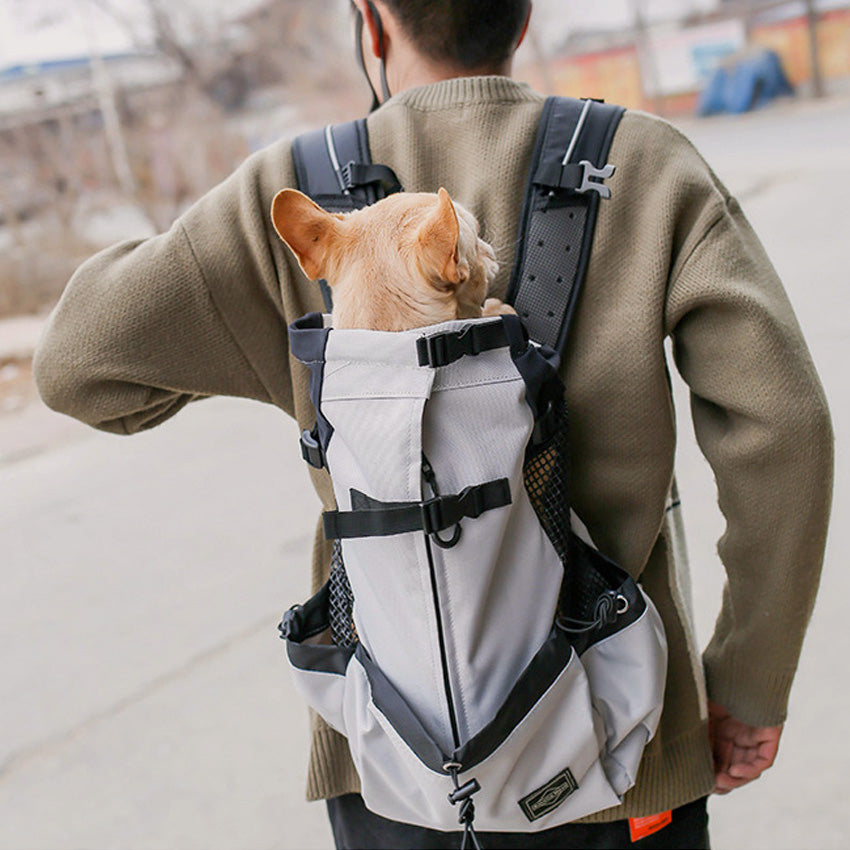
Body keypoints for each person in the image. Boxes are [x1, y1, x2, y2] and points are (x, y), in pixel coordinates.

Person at [33, 1, 833, 847]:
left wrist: (272, 351)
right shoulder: (645, 163)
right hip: (624, 752)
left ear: (371, 23)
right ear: (521, 18)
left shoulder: (292, 200)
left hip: (392, 763)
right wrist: (747, 684)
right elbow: (783, 426)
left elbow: (78, 368)